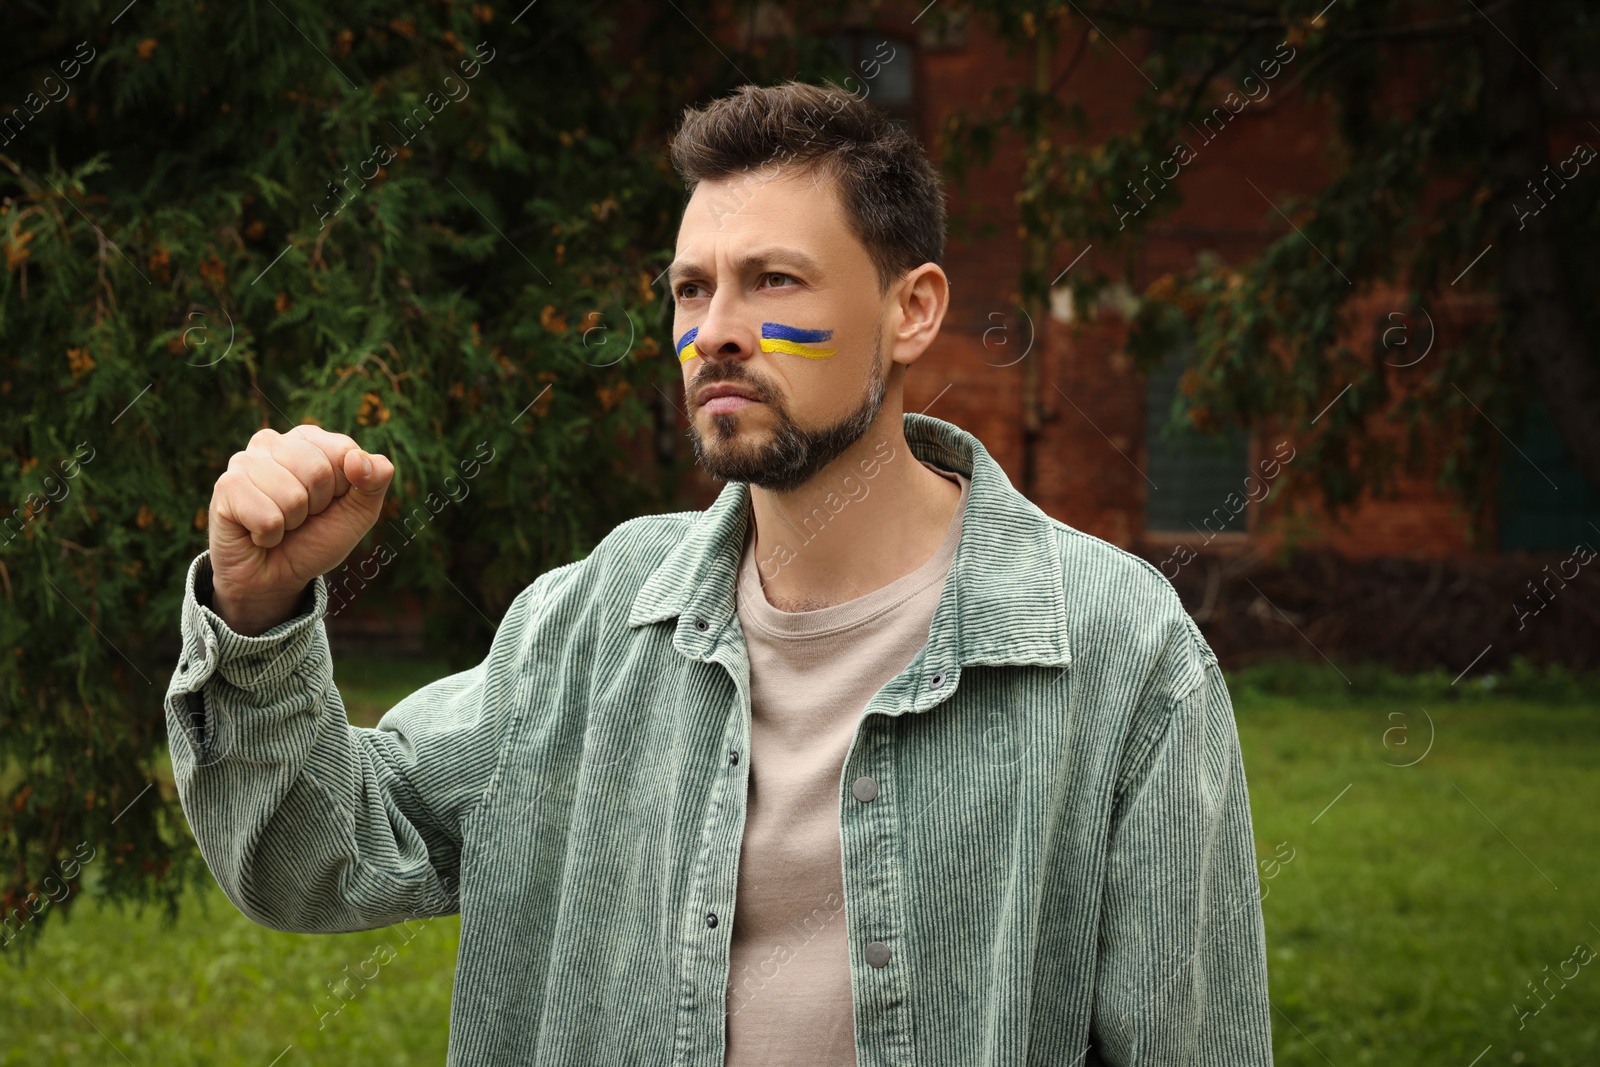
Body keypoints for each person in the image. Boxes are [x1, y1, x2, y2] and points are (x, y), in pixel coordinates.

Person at [165, 79, 1273, 1066]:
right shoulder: (591, 621)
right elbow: (313, 857)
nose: (716, 334)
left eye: (772, 280)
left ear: (912, 310)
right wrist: (255, 609)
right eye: (691, 290)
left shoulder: (1120, 650)